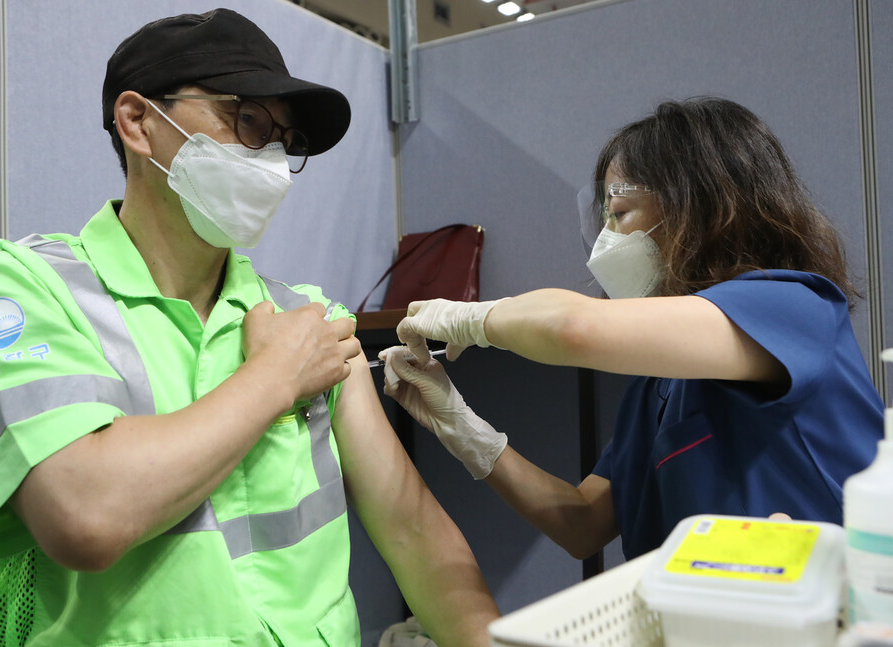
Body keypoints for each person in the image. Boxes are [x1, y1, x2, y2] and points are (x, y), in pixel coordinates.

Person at [0, 9, 500, 646]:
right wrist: (275, 377)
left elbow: (412, 527)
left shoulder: (305, 316)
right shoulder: (20, 286)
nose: (274, 161)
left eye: (286, 140)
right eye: (248, 120)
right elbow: (84, 515)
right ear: (139, 122)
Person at [379, 97, 885, 562]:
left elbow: (574, 328)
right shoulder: (663, 384)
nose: (605, 241)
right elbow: (584, 523)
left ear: (700, 207)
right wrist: (463, 427)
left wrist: (474, 317)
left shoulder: (791, 305)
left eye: (619, 213)